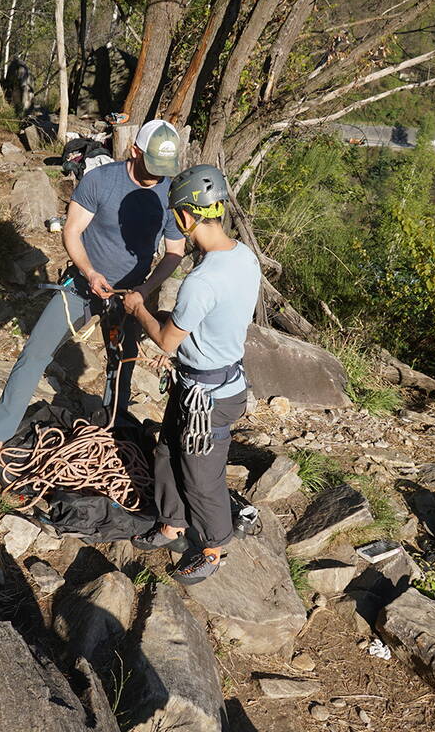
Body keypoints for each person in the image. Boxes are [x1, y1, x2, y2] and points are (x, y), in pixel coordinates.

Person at [0, 120, 187, 463]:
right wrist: (90, 273)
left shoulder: (169, 193)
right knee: (35, 353)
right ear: (134, 151)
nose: (157, 176)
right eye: (152, 166)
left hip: (130, 297)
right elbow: (72, 231)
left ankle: (114, 443)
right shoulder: (101, 180)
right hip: (83, 287)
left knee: (121, 368)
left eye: (164, 170)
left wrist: (144, 290)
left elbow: (174, 251)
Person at [125, 164, 261, 585]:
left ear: (186, 217)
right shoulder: (244, 258)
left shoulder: (201, 281)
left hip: (210, 398)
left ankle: (215, 548)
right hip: (205, 383)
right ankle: (172, 524)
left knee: (202, 477)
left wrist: (139, 309)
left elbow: (166, 342)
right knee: (167, 449)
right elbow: (215, 321)